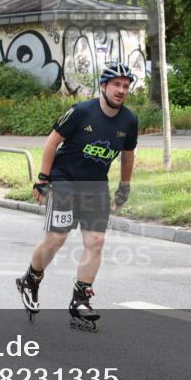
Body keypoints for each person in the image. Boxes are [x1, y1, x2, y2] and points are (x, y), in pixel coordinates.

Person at [15, 62, 138, 332]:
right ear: (104, 86)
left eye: (126, 86)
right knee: (56, 239)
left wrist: (124, 187)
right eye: (116, 84)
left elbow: (128, 155)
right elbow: (52, 141)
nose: (121, 90)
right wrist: (43, 179)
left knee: (96, 240)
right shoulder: (82, 112)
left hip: (96, 186)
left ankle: (81, 299)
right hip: (65, 181)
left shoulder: (129, 120)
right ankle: (31, 279)